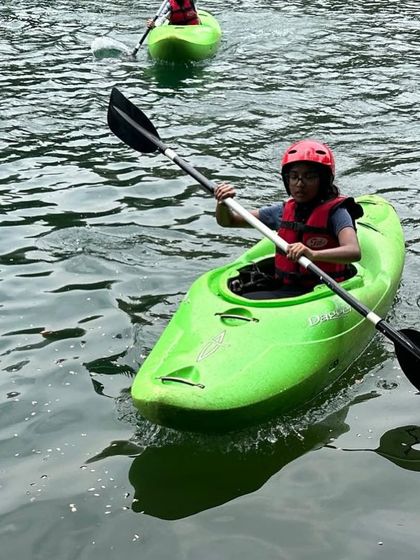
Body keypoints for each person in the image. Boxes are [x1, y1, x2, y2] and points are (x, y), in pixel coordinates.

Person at [214, 140, 364, 299]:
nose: (300, 184)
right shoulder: (281, 211)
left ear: (323, 180)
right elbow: (228, 221)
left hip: (323, 290)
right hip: (286, 287)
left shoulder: (337, 213)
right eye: (294, 177)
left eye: (309, 176)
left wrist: (313, 254)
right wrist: (223, 203)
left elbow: (353, 252)